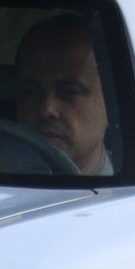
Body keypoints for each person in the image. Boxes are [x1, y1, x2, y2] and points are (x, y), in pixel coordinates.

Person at [13, 12, 113, 176]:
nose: (46, 109)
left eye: (69, 92)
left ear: (110, 105)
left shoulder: (132, 195)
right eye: (30, 91)